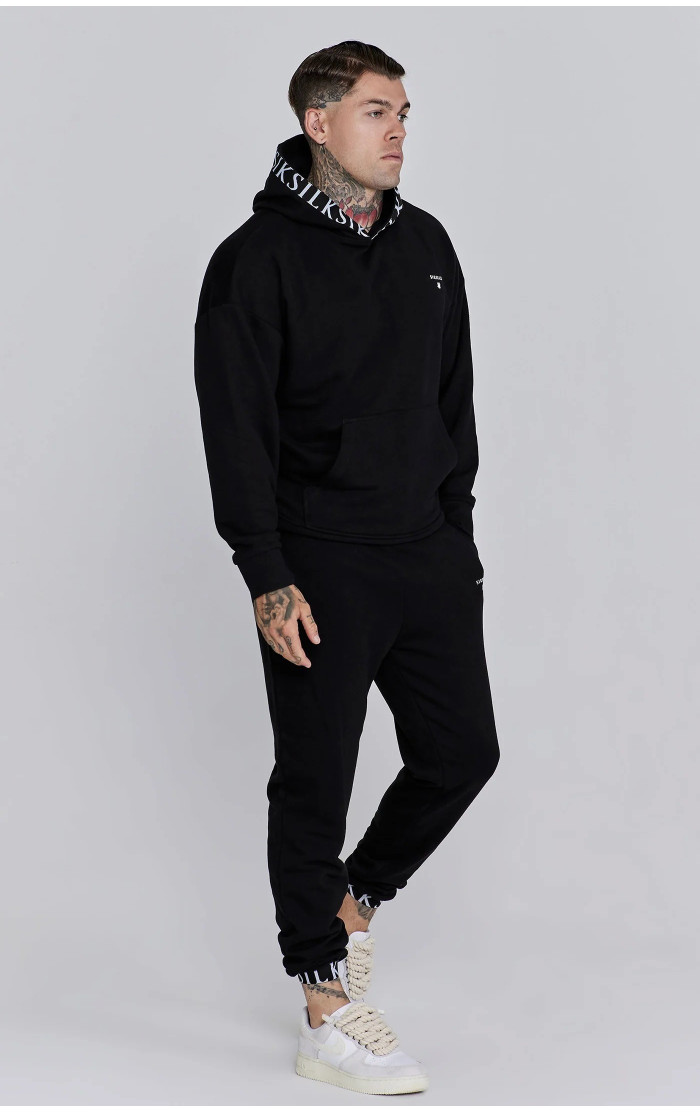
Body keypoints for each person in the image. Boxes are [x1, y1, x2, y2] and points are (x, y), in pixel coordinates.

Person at [193, 39, 500, 1096]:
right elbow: (236, 429)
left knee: (462, 752)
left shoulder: (429, 245)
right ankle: (324, 1007)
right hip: (317, 561)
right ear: (318, 123)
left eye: (404, 112)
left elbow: (455, 401)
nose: (399, 130)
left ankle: (353, 901)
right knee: (315, 776)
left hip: (424, 553)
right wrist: (266, 572)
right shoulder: (254, 260)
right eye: (377, 111)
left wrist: (456, 533)